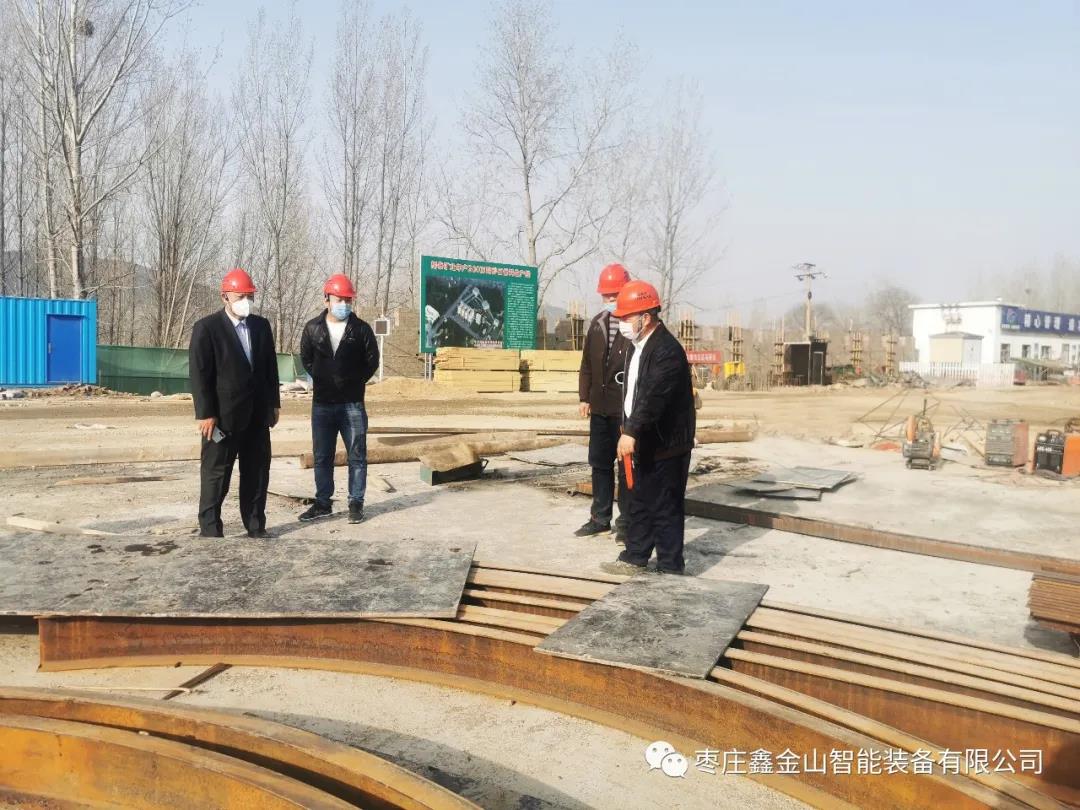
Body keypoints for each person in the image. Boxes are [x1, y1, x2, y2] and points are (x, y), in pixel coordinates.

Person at [601, 281, 696, 575]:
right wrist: (626, 427)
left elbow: (653, 397)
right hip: (643, 437)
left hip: (667, 443)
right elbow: (633, 393)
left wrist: (631, 431)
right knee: (639, 501)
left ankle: (670, 567)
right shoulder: (636, 347)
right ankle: (635, 556)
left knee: (665, 507)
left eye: (626, 317)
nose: (622, 323)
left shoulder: (667, 350)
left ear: (646, 317)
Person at [189, 268, 280, 538]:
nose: (246, 301)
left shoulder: (261, 326)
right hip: (222, 417)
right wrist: (205, 413)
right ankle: (210, 529)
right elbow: (199, 374)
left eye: (250, 296)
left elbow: (270, 368)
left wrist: (273, 404)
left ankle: (255, 525)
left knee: (257, 473)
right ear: (225, 296)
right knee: (216, 475)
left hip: (257, 415)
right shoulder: (207, 328)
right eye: (240, 296)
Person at [298, 274, 380, 524]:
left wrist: (351, 382)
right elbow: (307, 359)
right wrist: (325, 379)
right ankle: (323, 503)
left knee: (357, 455)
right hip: (322, 404)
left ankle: (356, 502)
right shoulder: (312, 328)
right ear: (326, 299)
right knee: (322, 456)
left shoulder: (361, 329)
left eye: (348, 300)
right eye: (339, 299)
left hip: (352, 404)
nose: (343, 304)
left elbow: (372, 362)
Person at [575, 263, 633, 542]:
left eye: (614, 294)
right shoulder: (597, 324)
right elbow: (586, 363)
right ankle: (599, 518)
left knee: (627, 468)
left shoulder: (634, 327)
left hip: (624, 410)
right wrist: (584, 397)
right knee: (599, 464)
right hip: (599, 407)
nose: (609, 299)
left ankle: (627, 523)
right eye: (606, 295)